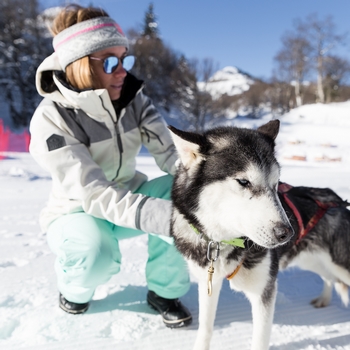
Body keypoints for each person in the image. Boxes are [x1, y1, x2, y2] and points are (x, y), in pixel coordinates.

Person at [29, 4, 192, 328]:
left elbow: (173, 155)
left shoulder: (134, 101)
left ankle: (164, 291)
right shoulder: (52, 118)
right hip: (77, 210)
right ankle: (73, 289)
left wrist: (217, 186)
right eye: (111, 62)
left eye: (125, 59)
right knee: (96, 256)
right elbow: (93, 193)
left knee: (185, 196)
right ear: (79, 65)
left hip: (128, 193)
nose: (123, 71)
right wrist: (165, 220)